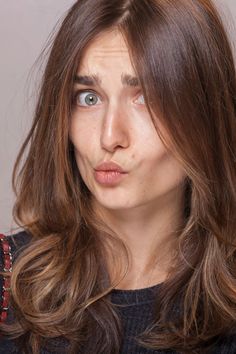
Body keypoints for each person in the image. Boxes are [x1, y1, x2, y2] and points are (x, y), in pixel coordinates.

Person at [0, 0, 236, 353]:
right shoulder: (8, 282)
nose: (109, 137)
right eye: (89, 98)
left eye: (145, 99)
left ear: (203, 114)